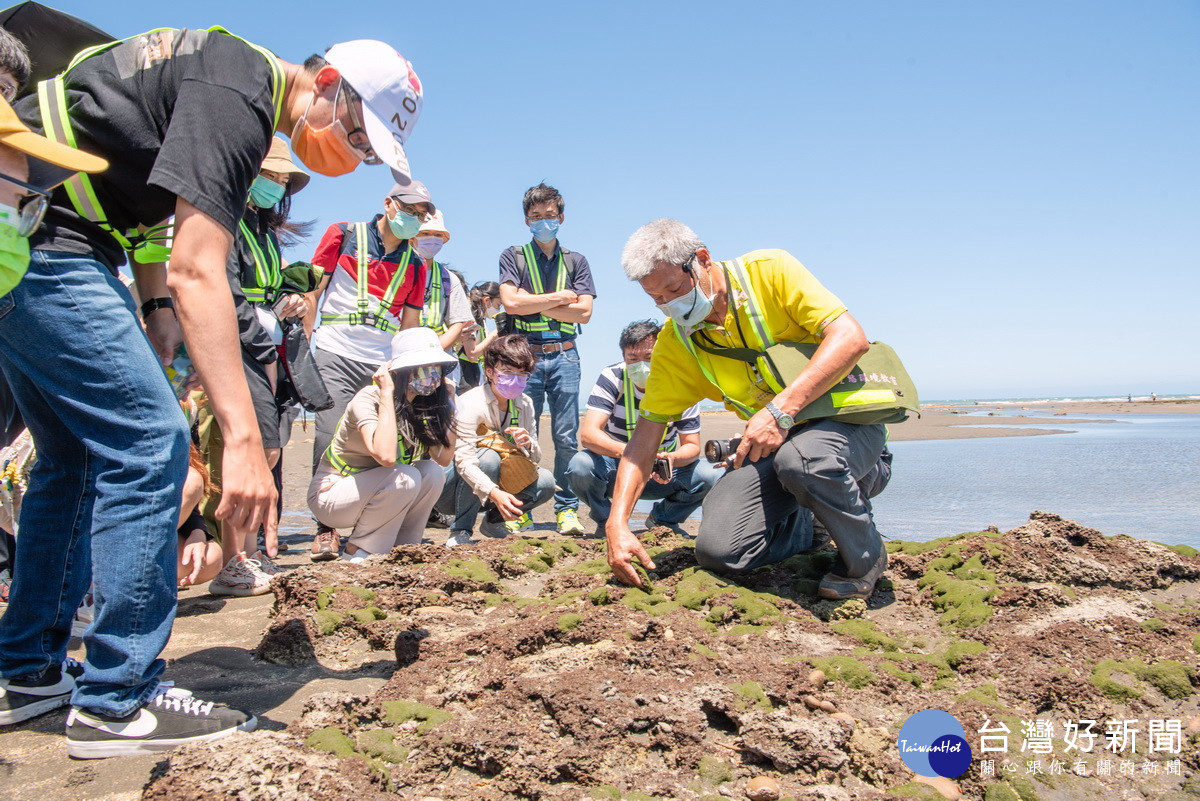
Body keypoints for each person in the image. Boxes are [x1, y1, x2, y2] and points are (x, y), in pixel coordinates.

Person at [3, 29, 424, 757]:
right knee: (149, 442)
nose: (353, 154)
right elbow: (200, 268)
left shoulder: (221, 73)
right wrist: (239, 439)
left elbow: (130, 185)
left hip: (55, 231)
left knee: (71, 457)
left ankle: (30, 668)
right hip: (44, 235)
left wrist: (154, 305)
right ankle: (118, 696)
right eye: (357, 132)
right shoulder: (237, 93)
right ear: (326, 82)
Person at [604, 219, 894, 601]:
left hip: (847, 425)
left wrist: (778, 412)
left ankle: (865, 556)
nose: (668, 305)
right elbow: (644, 439)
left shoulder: (770, 271)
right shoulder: (676, 344)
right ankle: (812, 524)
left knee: (806, 461)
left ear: (702, 259)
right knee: (720, 550)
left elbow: (849, 338)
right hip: (776, 449)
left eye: (674, 289)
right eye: (656, 299)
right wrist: (617, 523)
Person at [304, 179, 435, 561]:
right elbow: (314, 292)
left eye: (420, 215)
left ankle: (370, 525)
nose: (414, 219)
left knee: (381, 442)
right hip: (334, 351)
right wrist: (305, 347)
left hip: (381, 361)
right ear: (388, 204)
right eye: (409, 210)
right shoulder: (343, 235)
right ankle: (325, 529)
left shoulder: (415, 265)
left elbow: (409, 327)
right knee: (329, 434)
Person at [206, 135, 311, 596]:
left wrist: (285, 302)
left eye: (281, 179)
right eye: (267, 175)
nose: (274, 185)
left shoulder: (265, 234)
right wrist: (263, 348)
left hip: (264, 345)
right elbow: (225, 294)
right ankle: (234, 559)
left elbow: (261, 294)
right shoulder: (224, 221)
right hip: (239, 346)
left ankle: (249, 553)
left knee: (268, 450)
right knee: (249, 448)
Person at [308, 327, 455, 562]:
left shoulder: (423, 406)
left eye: (435, 367)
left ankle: (404, 547)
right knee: (405, 476)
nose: (430, 374)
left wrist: (449, 406)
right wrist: (387, 393)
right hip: (333, 495)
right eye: (421, 368)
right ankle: (358, 549)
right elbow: (386, 456)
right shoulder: (369, 398)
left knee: (431, 473)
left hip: (380, 489)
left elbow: (444, 458)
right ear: (399, 371)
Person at [498, 183, 595, 535]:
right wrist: (558, 299)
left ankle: (566, 509)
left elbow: (584, 314)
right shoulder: (513, 256)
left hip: (566, 356)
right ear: (526, 220)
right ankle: (520, 508)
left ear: (561, 218)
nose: (543, 222)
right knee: (521, 432)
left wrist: (531, 299)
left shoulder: (576, 261)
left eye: (549, 216)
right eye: (536, 217)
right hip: (527, 358)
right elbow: (510, 304)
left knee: (567, 436)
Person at [567, 320, 719, 532]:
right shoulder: (613, 377)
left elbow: (692, 446)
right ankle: (608, 522)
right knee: (580, 465)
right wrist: (634, 455)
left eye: (649, 357)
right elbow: (589, 435)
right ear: (624, 357)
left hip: (662, 472)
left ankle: (663, 520)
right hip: (617, 466)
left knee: (712, 474)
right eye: (633, 358)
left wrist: (671, 459)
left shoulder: (682, 382)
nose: (641, 365)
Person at [436, 334, 555, 548]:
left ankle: (493, 522)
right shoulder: (471, 403)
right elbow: (464, 462)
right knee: (488, 458)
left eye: (522, 374)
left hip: (496, 482)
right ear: (490, 372)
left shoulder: (525, 403)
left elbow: (535, 458)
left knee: (546, 482)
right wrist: (494, 492)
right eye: (508, 372)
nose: (515, 379)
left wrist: (528, 443)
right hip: (451, 490)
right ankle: (461, 529)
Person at [412, 210, 471, 356]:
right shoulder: (396, 270)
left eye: (438, 235)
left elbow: (457, 322)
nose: (431, 238)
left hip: (437, 355)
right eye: (425, 233)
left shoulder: (449, 278)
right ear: (412, 237)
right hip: (397, 352)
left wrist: (434, 350)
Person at [454, 280, 502, 393]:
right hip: (463, 371)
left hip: (471, 371)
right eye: (498, 305)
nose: (499, 310)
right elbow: (472, 354)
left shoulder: (480, 318)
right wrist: (495, 334)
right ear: (486, 300)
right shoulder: (469, 317)